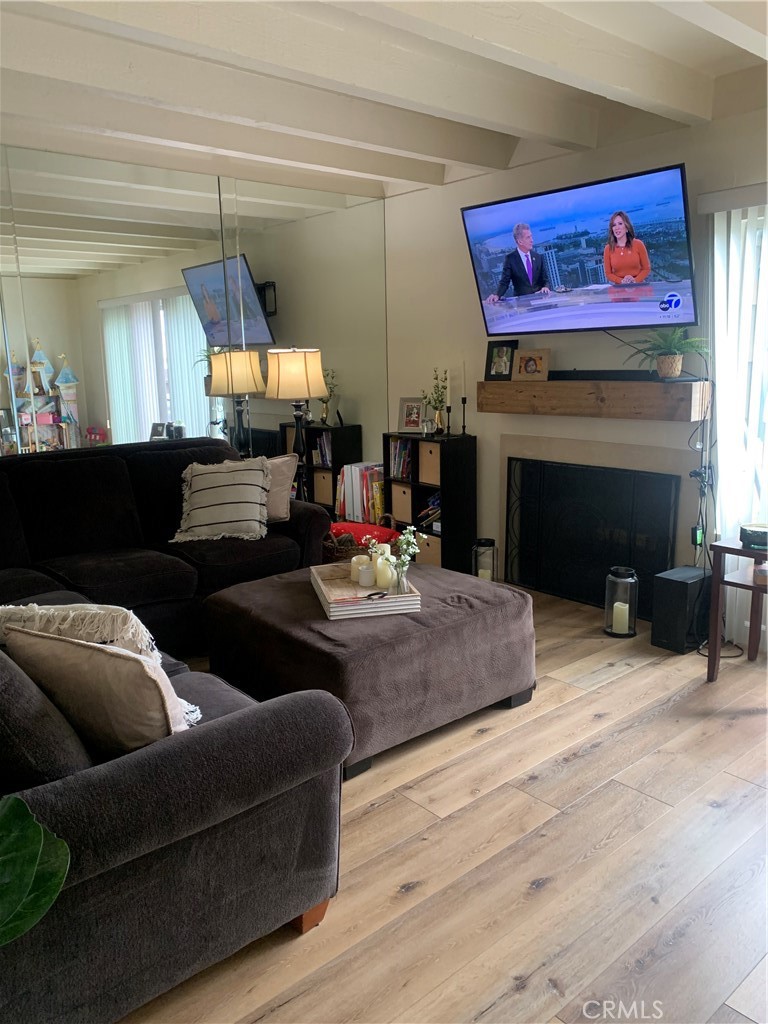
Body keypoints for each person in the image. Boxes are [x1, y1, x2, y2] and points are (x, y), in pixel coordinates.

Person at [486, 223, 551, 302]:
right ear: (520, 241)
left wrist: (546, 287)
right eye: (528, 237)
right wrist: (497, 295)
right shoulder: (510, 259)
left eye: (531, 236)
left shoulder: (538, 257)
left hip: (541, 301)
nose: (532, 240)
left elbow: (545, 279)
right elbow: (504, 282)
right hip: (522, 304)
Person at [603, 211, 651, 285]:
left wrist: (635, 280)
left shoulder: (638, 244)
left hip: (638, 287)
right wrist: (621, 281)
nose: (617, 228)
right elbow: (608, 274)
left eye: (620, 224)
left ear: (627, 227)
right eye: (614, 225)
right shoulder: (608, 248)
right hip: (618, 290)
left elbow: (646, 269)